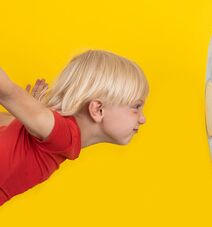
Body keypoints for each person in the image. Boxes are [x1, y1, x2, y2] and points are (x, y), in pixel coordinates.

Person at [0, 49, 149, 206]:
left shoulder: (57, 136)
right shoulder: (62, 136)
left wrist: (25, 115)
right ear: (98, 109)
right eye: (136, 106)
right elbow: (7, 92)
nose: (142, 118)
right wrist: (28, 113)